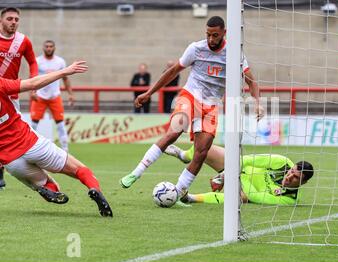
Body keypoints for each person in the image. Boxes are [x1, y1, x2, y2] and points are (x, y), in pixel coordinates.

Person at [120, 16, 264, 203]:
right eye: (208, 34)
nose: (211, 39)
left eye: (215, 35)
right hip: (190, 96)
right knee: (174, 131)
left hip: (211, 105)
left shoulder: (234, 53)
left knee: (201, 152)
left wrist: (258, 102)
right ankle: (137, 172)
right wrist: (149, 93)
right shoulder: (196, 48)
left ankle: (178, 194)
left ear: (224, 33)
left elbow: (251, 80)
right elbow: (172, 72)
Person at [0, 60, 113, 217]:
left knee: (49, 185)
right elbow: (33, 84)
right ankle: (94, 189)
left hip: (11, 160)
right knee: (79, 169)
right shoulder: (1, 83)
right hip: (32, 144)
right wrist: (63, 72)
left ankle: (46, 189)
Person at [165, 144, 314, 205]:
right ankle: (184, 155)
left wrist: (235, 176)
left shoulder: (290, 199)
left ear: (303, 183)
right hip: (236, 168)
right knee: (207, 148)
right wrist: (227, 173)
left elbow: (254, 196)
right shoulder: (281, 162)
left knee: (242, 198)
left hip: (244, 187)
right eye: (291, 172)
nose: (289, 176)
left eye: (296, 177)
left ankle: (190, 198)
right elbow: (246, 160)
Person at [0, 7, 39, 190]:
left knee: (11, 133)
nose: (13, 22)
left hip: (12, 96)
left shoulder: (23, 41)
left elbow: (32, 62)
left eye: (16, 19)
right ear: (2, 21)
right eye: (9, 18)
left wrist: (33, 84)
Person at [30, 40, 74, 152]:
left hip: (55, 96)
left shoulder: (60, 62)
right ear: (43, 48)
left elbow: (65, 78)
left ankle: (65, 149)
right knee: (33, 124)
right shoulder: (37, 61)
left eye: (51, 46)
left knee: (60, 123)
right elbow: (32, 78)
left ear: (54, 48)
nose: (49, 48)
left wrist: (70, 94)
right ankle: (29, 147)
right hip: (40, 96)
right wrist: (32, 92)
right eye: (47, 46)